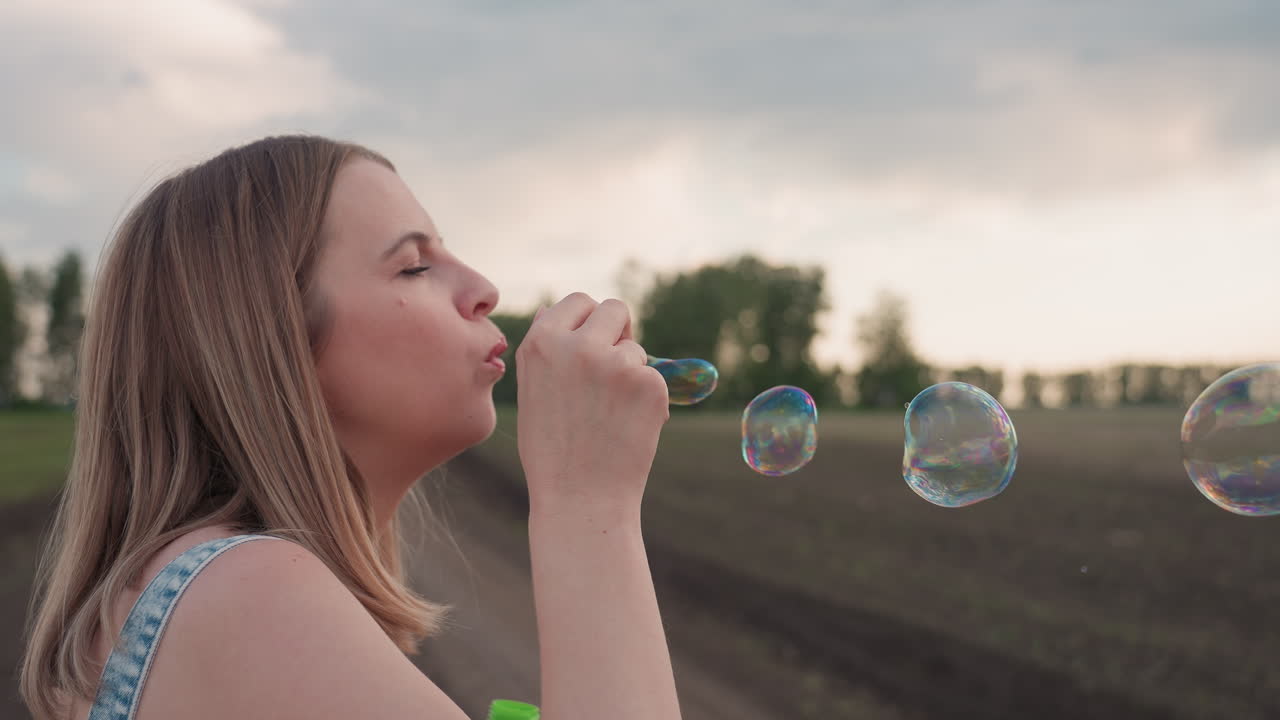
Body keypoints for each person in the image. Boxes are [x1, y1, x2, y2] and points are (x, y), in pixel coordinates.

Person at [19, 135, 682, 720]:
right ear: (273, 343)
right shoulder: (249, 593)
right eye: (414, 265)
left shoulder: (214, 595)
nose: (484, 289)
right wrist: (588, 505)